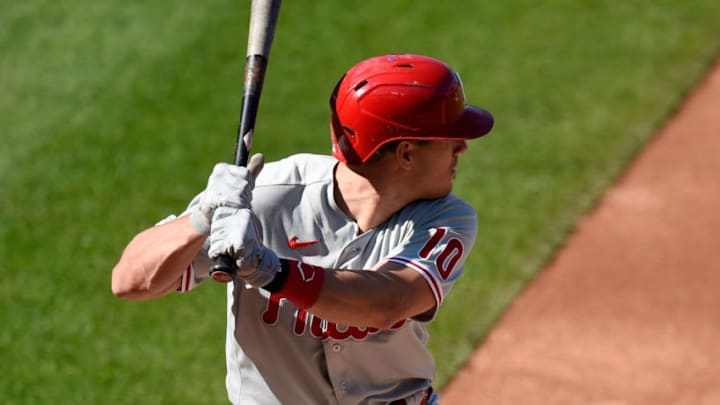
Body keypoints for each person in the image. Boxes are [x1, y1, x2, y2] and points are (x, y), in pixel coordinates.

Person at [112, 53, 494, 405]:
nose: (462, 147)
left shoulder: (445, 220)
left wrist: (272, 272)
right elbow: (129, 282)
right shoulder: (264, 197)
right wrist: (202, 219)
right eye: (450, 139)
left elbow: (388, 301)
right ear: (406, 153)